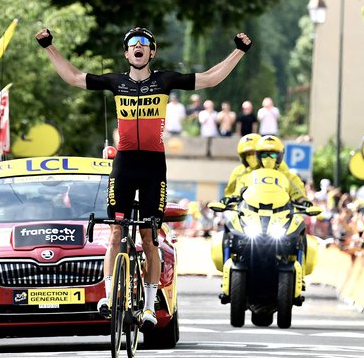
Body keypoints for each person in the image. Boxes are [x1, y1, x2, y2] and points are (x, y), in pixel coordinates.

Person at [36, 26, 253, 329]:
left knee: (149, 238)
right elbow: (73, 77)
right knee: (114, 232)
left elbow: (209, 78)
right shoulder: (116, 81)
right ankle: (110, 295)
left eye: (144, 43)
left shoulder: (164, 80)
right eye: (132, 44)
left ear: (152, 52)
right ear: (126, 53)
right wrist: (48, 46)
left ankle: (150, 306)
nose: (138, 47)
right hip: (124, 163)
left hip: (153, 166)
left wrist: (239, 52)